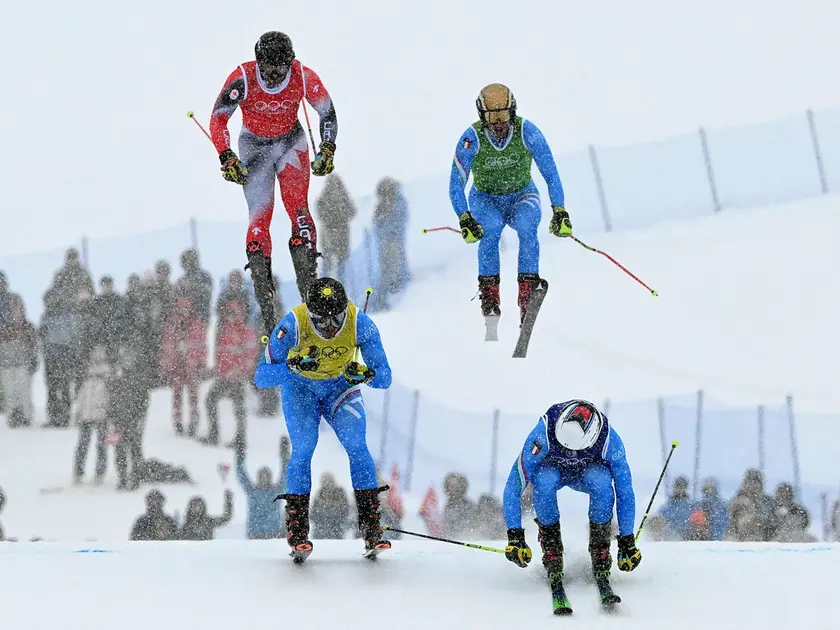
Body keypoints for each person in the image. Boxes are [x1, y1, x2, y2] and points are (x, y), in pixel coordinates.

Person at [210, 31, 338, 336]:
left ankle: (310, 286)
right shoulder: (242, 77)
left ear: (290, 64)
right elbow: (217, 119)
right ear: (257, 62)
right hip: (254, 147)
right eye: (267, 69)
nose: (272, 76)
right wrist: (226, 156)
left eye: (280, 70)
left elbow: (327, 113)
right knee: (260, 216)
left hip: (291, 143)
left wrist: (328, 149)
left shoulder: (303, 76)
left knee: (299, 210)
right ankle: (264, 295)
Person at [254, 277, 392, 560]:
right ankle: (297, 530)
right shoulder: (291, 325)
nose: (329, 327)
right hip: (301, 391)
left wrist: (366, 374)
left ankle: (371, 527)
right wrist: (291, 367)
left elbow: (385, 377)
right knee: (304, 448)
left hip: (340, 389)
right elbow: (261, 376)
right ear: (309, 312)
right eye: (320, 321)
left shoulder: (359, 322)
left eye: (336, 318)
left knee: (357, 445)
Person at [449, 83, 571, 339]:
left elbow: (551, 174)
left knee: (527, 227)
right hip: (486, 199)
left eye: (504, 116)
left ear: (513, 112)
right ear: (482, 117)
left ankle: (527, 295)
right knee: (490, 229)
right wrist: (464, 217)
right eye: (492, 118)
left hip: (522, 195)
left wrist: (559, 210)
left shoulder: (528, 131)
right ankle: (490, 298)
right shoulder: (472, 138)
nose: (499, 124)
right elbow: (456, 183)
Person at [501, 400, 641, 614]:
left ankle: (600, 550)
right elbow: (515, 483)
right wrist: (515, 536)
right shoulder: (544, 432)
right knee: (544, 482)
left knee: (603, 484)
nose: (569, 452)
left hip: (589, 472)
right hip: (552, 469)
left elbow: (625, 491)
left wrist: (627, 541)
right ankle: (552, 550)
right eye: (564, 445)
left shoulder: (610, 441)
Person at [235, 436, 290, 539]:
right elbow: (241, 475)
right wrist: (240, 456)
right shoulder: (252, 491)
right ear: (258, 478)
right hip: (254, 533)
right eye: (261, 476)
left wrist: (284, 456)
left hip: (273, 533)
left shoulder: (276, 491)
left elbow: (285, 473)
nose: (264, 479)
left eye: (266, 476)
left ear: (270, 478)